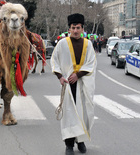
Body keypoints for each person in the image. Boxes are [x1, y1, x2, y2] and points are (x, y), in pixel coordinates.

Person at [50, 13, 97, 155]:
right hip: (68, 86)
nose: (75, 30)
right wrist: (60, 76)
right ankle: (69, 145)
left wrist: (78, 75)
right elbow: (54, 61)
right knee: (69, 115)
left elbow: (92, 63)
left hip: (83, 85)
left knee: (83, 114)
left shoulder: (88, 44)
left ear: (82, 29)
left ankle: (80, 141)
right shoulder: (62, 44)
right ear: (68, 29)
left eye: (78, 28)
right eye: (72, 28)